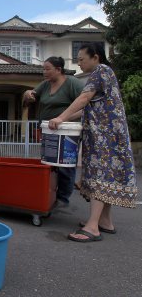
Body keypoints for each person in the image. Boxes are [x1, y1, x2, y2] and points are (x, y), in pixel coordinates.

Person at [48, 43, 137, 243]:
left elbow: (84, 98)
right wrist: (64, 118)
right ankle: (105, 221)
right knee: (105, 175)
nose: (79, 63)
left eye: (81, 59)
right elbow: (87, 107)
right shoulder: (106, 73)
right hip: (111, 135)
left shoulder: (100, 71)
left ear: (95, 57)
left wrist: (61, 118)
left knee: (99, 175)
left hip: (105, 137)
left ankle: (92, 227)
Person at [23, 56, 84, 206]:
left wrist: (63, 118)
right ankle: (50, 193)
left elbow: (85, 107)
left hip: (67, 131)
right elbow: (31, 97)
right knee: (49, 163)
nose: (44, 72)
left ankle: (63, 198)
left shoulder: (73, 83)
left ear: (58, 69)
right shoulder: (45, 85)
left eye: (47, 69)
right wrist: (27, 93)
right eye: (43, 69)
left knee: (65, 165)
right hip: (48, 130)